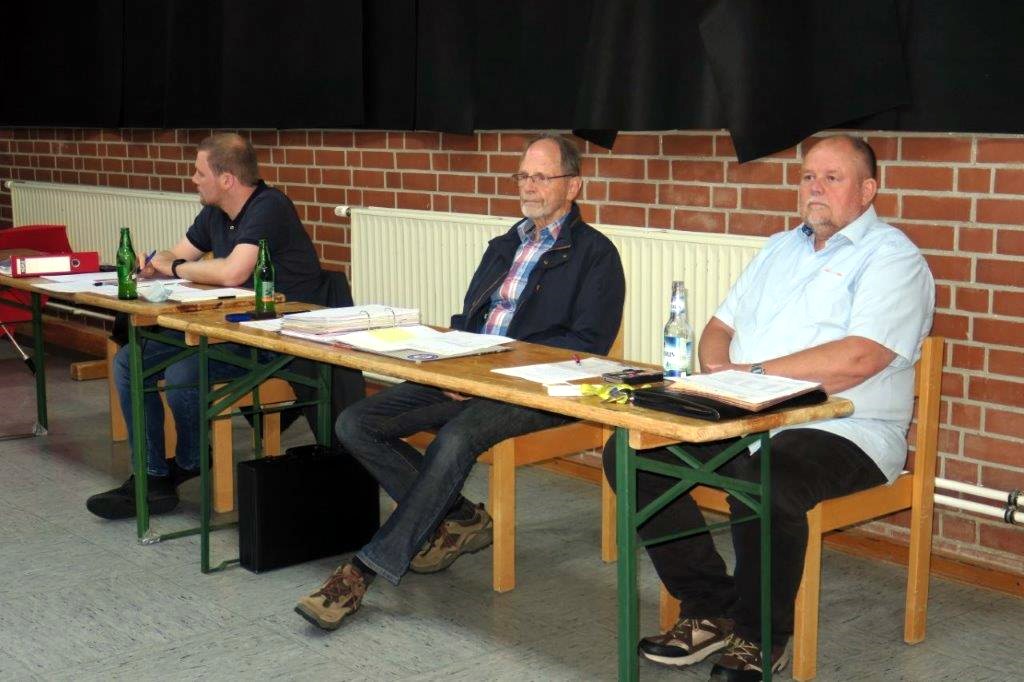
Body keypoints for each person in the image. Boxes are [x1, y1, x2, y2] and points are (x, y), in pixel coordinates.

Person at [602, 134, 934, 681]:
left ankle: (760, 636)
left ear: (868, 190)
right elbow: (719, 327)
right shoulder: (779, 248)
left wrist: (753, 374)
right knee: (634, 453)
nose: (815, 188)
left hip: (847, 427)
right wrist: (720, 372)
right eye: (807, 177)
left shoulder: (893, 258)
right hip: (749, 413)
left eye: (832, 178)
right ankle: (709, 606)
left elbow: (860, 357)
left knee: (766, 478)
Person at [294, 133, 626, 631]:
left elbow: (587, 344)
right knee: (356, 422)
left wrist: (489, 371)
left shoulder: (596, 255)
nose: (528, 186)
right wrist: (446, 359)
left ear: (573, 185)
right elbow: (471, 318)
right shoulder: (503, 245)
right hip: (470, 373)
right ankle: (460, 516)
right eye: (523, 176)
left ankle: (362, 571)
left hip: (536, 390)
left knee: (453, 439)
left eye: (541, 177)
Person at [87, 133, 323, 520]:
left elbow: (231, 273)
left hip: (273, 337)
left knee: (184, 371)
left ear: (226, 179)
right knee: (130, 360)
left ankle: (192, 460)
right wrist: (155, 265)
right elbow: (175, 254)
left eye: (199, 173)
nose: (193, 179)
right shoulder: (215, 211)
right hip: (224, 326)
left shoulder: (269, 206)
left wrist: (176, 267)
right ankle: (152, 476)